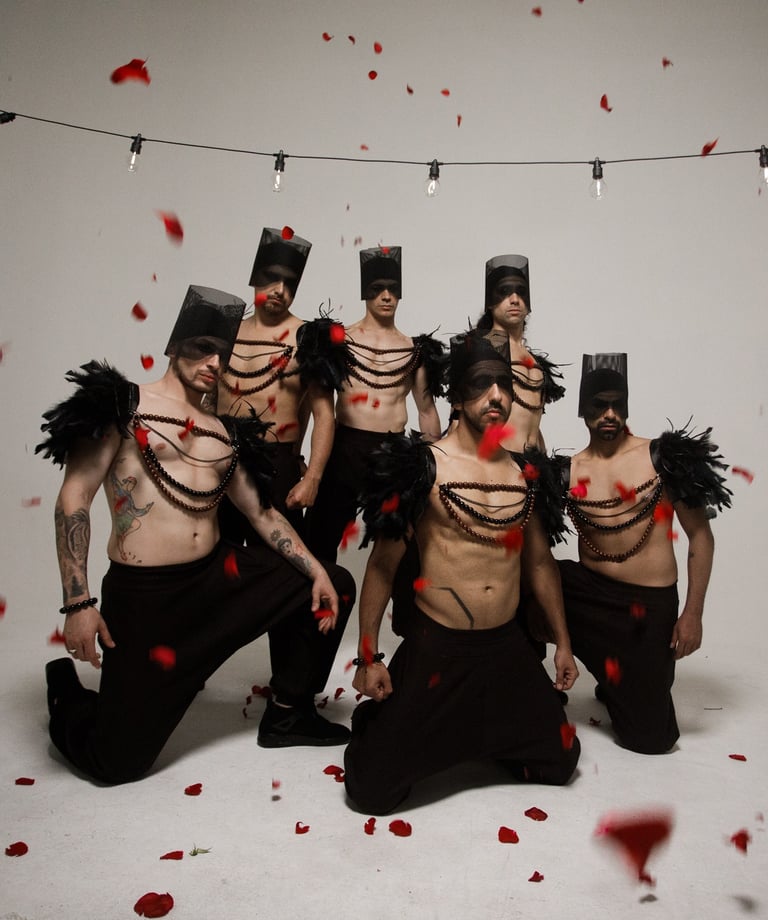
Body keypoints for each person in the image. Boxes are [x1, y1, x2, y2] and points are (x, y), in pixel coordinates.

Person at [38, 285, 356, 785]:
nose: (213, 363)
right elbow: (73, 498)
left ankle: (289, 713)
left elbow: (262, 515)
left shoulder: (224, 433)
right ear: (173, 345)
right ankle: (64, 690)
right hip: (146, 598)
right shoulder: (123, 405)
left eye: (222, 355)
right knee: (116, 763)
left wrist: (316, 570)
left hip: (215, 583)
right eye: (202, 348)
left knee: (334, 582)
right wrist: (78, 603)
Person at [343, 330, 580, 815]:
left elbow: (539, 562)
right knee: (371, 791)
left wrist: (563, 643)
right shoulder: (424, 467)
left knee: (560, 763)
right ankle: (390, 723)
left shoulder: (525, 474)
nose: (496, 396)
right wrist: (368, 657)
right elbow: (382, 567)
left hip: (504, 644)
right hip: (439, 644)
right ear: (456, 396)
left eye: (504, 385)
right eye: (480, 384)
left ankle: (485, 730)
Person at [555, 352, 732, 754]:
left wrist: (693, 614)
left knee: (651, 740)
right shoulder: (567, 471)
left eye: (617, 404)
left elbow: (700, 537)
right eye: (599, 405)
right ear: (583, 411)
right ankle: (531, 689)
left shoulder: (661, 458)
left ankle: (623, 679)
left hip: (648, 608)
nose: (609, 414)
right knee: (529, 579)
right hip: (591, 596)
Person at [305, 245, 445, 564]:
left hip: (393, 453)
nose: (386, 296)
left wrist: (434, 469)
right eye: (377, 288)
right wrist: (311, 470)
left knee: (396, 548)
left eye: (393, 289)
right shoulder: (340, 341)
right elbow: (317, 408)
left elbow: (426, 411)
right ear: (364, 292)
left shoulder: (414, 350)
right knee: (319, 540)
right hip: (344, 446)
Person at [217, 227, 345, 536]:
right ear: (255, 277)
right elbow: (205, 399)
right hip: (220, 456)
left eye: (290, 283)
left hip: (276, 463)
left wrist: (312, 478)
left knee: (277, 558)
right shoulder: (226, 331)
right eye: (272, 278)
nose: (280, 290)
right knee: (218, 553)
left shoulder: (308, 337)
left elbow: (324, 415)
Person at [476, 254, 564, 450]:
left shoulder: (533, 359)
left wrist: (544, 462)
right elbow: (459, 420)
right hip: (499, 462)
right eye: (504, 292)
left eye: (521, 292)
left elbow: (530, 422)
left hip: (533, 464)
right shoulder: (482, 349)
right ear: (490, 301)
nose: (515, 300)